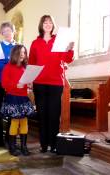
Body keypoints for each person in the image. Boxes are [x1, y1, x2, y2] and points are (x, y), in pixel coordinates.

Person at [28, 15, 74, 153]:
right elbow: (32, 62)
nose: (47, 24)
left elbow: (67, 59)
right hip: (39, 83)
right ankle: (43, 144)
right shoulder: (35, 43)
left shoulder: (59, 40)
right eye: (45, 22)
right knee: (42, 114)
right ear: (41, 25)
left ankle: (53, 144)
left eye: (50, 22)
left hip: (55, 82)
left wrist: (69, 49)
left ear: (53, 25)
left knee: (54, 114)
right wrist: (30, 79)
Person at [0, 45, 35, 156]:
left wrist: (29, 84)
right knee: (15, 122)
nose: (22, 55)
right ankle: (12, 146)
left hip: (23, 97)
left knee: (24, 121)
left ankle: (24, 146)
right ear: (14, 54)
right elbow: (4, 83)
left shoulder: (25, 68)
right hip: (13, 97)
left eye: (24, 52)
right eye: (20, 52)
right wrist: (16, 85)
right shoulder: (8, 67)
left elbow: (28, 83)